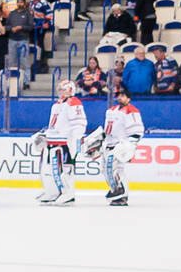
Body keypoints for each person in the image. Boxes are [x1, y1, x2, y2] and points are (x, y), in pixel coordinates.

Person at [89, 86, 144, 205]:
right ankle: (115, 191)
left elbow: (137, 131)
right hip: (108, 145)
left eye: (123, 95)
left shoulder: (131, 111)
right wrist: (98, 141)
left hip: (119, 146)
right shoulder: (112, 110)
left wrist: (129, 145)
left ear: (128, 98)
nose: (120, 97)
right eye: (119, 95)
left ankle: (122, 194)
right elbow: (107, 130)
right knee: (106, 170)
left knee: (116, 170)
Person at [35, 78, 86, 206]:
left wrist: (74, 139)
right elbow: (53, 125)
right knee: (49, 170)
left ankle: (68, 193)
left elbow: (79, 124)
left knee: (65, 170)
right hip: (52, 141)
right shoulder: (57, 104)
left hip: (65, 143)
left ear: (70, 90)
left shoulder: (74, 103)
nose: (60, 92)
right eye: (60, 90)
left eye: (63, 90)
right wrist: (45, 135)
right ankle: (52, 192)